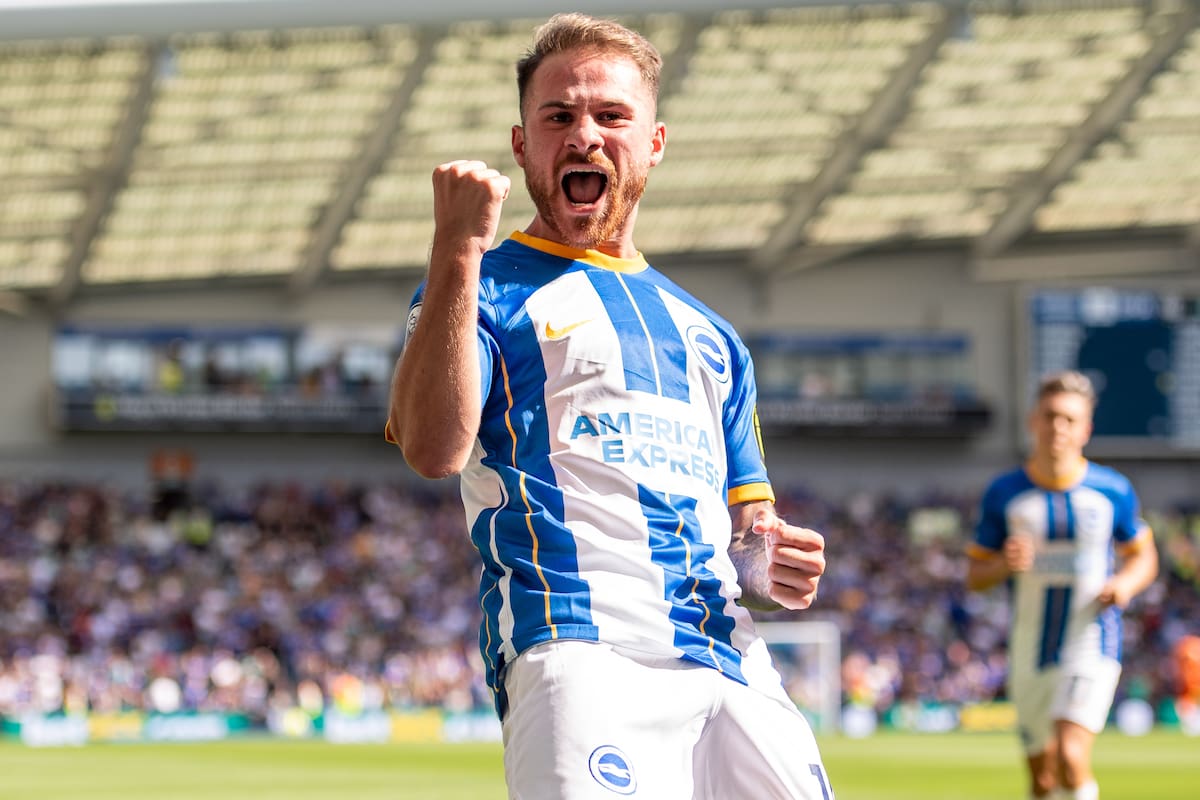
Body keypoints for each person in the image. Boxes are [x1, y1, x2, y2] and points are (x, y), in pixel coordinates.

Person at [387, 13, 834, 800]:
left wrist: (773, 561)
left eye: (611, 116)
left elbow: (748, 534)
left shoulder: (715, 338)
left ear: (653, 142)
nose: (584, 134)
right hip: (577, 648)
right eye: (558, 116)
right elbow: (431, 447)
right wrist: (456, 246)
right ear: (522, 144)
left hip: (730, 659)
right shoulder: (480, 288)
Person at [966, 370, 1158, 800]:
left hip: (1091, 642)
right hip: (1029, 647)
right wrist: (1002, 563)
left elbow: (1144, 556)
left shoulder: (1112, 490)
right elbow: (975, 577)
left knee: (1072, 756)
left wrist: (1125, 583)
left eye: (1070, 419)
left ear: (1086, 429)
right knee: (1043, 778)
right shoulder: (1005, 493)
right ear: (1034, 420)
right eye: (1051, 416)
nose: (1058, 427)